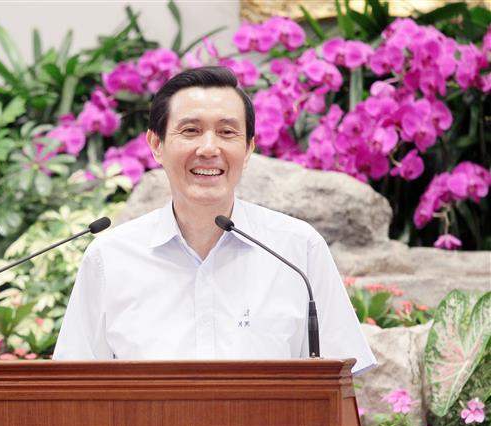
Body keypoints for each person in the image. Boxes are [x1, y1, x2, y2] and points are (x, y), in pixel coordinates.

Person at [53, 66, 376, 375]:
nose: (209, 148)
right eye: (191, 131)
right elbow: (74, 387)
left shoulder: (297, 249)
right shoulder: (110, 258)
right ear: (156, 145)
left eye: (227, 132)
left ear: (248, 149)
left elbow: (339, 384)